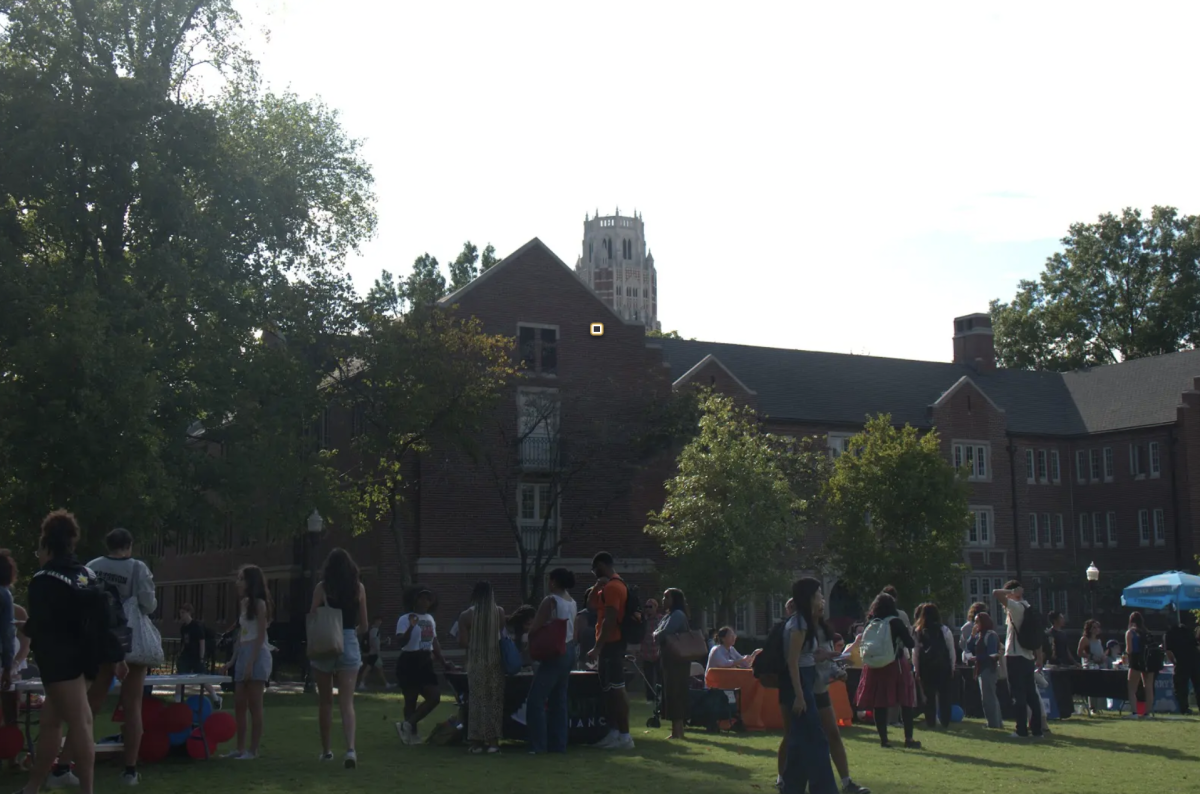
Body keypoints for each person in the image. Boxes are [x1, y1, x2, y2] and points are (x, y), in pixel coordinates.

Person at [53, 527, 157, 787]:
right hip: (130, 641)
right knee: (133, 706)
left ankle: (63, 764)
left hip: (99, 642)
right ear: (129, 545)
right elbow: (148, 603)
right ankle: (129, 770)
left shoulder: (92, 566)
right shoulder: (137, 568)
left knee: (89, 705)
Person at [16, 511, 111, 794]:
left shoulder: (44, 579)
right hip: (87, 658)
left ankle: (87, 790)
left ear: (47, 545)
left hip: (60, 660)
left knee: (80, 723)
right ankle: (33, 786)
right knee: (50, 723)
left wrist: (27, 629)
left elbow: (43, 623)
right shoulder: (86, 574)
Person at [309, 548, 367, 768]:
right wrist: (350, 632)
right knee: (347, 702)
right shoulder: (358, 588)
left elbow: (312, 615)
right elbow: (365, 625)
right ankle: (350, 749)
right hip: (349, 642)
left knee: (325, 701)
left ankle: (326, 751)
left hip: (325, 643)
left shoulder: (322, 588)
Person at [781, 578, 839, 794]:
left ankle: (791, 789)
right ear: (809, 597)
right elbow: (792, 661)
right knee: (817, 741)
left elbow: (804, 657)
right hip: (800, 683)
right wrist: (799, 695)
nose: (822, 598)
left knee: (799, 743)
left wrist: (827, 655)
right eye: (818, 594)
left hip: (803, 680)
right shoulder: (799, 624)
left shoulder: (803, 621)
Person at [855, 592, 919, 749]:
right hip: (895, 664)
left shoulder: (871, 622)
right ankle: (908, 738)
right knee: (905, 701)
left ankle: (884, 739)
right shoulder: (895, 622)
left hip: (875, 667)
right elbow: (910, 643)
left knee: (880, 703)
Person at [525, 568, 578, 754]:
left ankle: (538, 745)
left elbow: (535, 626)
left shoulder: (551, 600)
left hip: (555, 651)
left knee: (536, 700)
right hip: (569, 649)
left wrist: (530, 640)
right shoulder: (572, 602)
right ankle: (558, 745)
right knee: (559, 701)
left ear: (553, 582)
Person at [395, 588, 454, 745]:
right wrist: (411, 626)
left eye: (428, 598)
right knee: (411, 700)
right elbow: (401, 641)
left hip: (425, 660)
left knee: (434, 697)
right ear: (414, 600)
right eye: (421, 598)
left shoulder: (430, 619)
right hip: (409, 659)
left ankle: (406, 725)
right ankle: (411, 735)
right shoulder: (404, 619)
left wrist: (443, 661)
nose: (425, 601)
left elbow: (434, 641)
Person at [225, 564, 272, 760]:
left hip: (257, 654)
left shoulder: (260, 604)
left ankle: (253, 750)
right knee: (239, 704)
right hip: (244, 652)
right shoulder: (243, 604)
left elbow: (260, 636)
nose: (238, 583)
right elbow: (241, 635)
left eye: (241, 579)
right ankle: (240, 748)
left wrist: (251, 663)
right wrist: (232, 660)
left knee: (255, 705)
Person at [586, 552, 632, 750]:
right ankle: (614, 732)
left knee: (617, 690)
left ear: (602, 566)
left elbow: (610, 619)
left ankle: (624, 735)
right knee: (609, 692)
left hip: (612, 644)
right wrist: (597, 587)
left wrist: (598, 647)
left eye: (595, 569)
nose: (594, 573)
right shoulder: (608, 586)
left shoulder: (614, 587)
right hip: (608, 645)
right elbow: (591, 605)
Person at [457, 581, 506, 754]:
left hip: (476, 660)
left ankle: (476, 742)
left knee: (477, 701)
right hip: (494, 660)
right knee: (494, 701)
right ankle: (493, 742)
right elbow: (500, 634)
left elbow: (462, 642)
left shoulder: (466, 616)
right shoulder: (499, 612)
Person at [991, 581, 1043, 739]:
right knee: (1031, 695)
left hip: (1015, 656)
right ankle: (1037, 730)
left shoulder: (1016, 607)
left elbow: (995, 593)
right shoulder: (1029, 608)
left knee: (1018, 695)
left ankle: (1021, 730)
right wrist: (1038, 657)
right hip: (1028, 656)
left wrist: (1011, 591)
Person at [653, 588, 692, 740]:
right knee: (671, 693)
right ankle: (678, 731)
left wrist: (656, 634)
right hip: (669, 660)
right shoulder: (668, 615)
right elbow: (658, 631)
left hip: (677, 661)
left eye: (666, 597)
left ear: (674, 599)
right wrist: (657, 633)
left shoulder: (677, 615)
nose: (663, 600)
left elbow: (664, 632)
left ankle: (677, 732)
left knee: (675, 693)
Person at [912, 603, 956, 729]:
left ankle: (930, 721)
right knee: (945, 696)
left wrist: (916, 669)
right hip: (943, 666)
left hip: (926, 667)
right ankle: (945, 721)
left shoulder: (918, 631)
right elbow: (951, 649)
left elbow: (915, 652)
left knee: (929, 697)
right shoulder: (944, 630)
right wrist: (952, 666)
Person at [176, 604, 222, 707]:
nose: (181, 615)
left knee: (202, 680)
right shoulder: (183, 628)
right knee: (179, 678)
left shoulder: (196, 626)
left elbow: (202, 642)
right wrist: (180, 653)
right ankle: (177, 703)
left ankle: (216, 698)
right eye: (180, 613)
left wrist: (201, 658)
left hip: (196, 656)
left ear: (188, 613)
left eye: (183, 613)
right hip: (186, 657)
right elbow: (184, 642)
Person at [966, 612, 1003, 728]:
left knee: (989, 697)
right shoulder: (979, 635)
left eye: (977, 621)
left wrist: (977, 658)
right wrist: (972, 635)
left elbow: (992, 654)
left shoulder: (990, 635)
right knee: (988, 696)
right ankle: (996, 722)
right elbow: (969, 647)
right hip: (981, 669)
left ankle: (993, 723)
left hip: (988, 668)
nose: (975, 624)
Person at [774, 598, 796, 790]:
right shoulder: (791, 627)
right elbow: (793, 661)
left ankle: (783, 776)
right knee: (790, 733)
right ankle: (783, 776)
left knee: (790, 733)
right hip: (792, 685)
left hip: (788, 685)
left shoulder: (787, 626)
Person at [1165, 610, 1200, 715]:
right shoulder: (1186, 630)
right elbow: (1196, 645)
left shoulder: (1169, 634)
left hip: (1181, 662)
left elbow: (1169, 652)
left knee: (1181, 687)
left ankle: (1184, 709)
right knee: (1198, 685)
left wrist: (1174, 662)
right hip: (1195, 660)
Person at [1124, 611, 1156, 718]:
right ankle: (1148, 712)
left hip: (1136, 661)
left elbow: (1129, 650)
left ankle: (1134, 712)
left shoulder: (1130, 633)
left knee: (1132, 688)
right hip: (1149, 661)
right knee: (1148, 687)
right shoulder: (1147, 632)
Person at [637, 598, 662, 703]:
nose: (648, 609)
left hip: (658, 652)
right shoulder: (643, 620)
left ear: (656, 608)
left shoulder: (661, 619)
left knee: (660, 677)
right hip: (646, 652)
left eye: (650, 607)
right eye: (646, 607)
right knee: (648, 677)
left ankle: (660, 696)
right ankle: (650, 698)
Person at [357, 617, 387, 691]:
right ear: (375, 621)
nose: (380, 623)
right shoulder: (374, 630)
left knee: (380, 669)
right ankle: (361, 683)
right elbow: (374, 641)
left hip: (375, 653)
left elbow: (376, 641)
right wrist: (377, 649)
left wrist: (383, 642)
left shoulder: (374, 630)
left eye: (380, 621)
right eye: (379, 621)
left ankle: (386, 683)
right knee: (368, 669)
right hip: (374, 653)